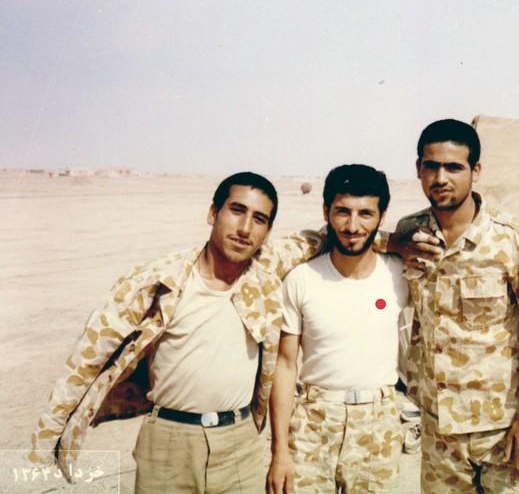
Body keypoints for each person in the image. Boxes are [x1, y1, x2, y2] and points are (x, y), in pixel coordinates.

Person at [29, 172, 326, 493]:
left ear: (267, 232)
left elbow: (323, 237)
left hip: (240, 445)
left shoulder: (266, 270)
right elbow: (85, 362)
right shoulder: (158, 280)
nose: (245, 228)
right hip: (167, 443)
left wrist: (370, 233)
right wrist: (44, 447)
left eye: (259, 219)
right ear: (213, 213)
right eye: (237, 211)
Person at [396, 119, 519, 493]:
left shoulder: (513, 239)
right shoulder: (410, 234)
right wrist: (394, 244)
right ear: (418, 168)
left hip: (501, 427)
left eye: (454, 167)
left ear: (476, 171)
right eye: (431, 166)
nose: (441, 178)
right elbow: (359, 240)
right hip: (439, 429)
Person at [268, 164, 408, 494]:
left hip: (379, 424)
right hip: (313, 422)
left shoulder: (400, 274)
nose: (352, 226)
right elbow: (285, 365)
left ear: (382, 217)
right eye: (343, 211)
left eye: (365, 213)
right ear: (326, 212)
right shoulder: (301, 279)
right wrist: (279, 452)